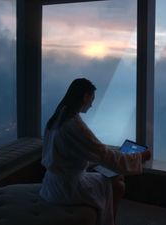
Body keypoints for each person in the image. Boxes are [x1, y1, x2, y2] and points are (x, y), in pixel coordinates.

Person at [39, 78, 151, 225]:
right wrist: (140, 156)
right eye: (92, 98)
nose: (92, 104)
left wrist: (91, 161)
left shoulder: (60, 115)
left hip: (52, 183)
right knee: (119, 184)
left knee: (116, 178)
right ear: (85, 96)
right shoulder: (73, 125)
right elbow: (103, 154)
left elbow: (78, 149)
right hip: (66, 189)